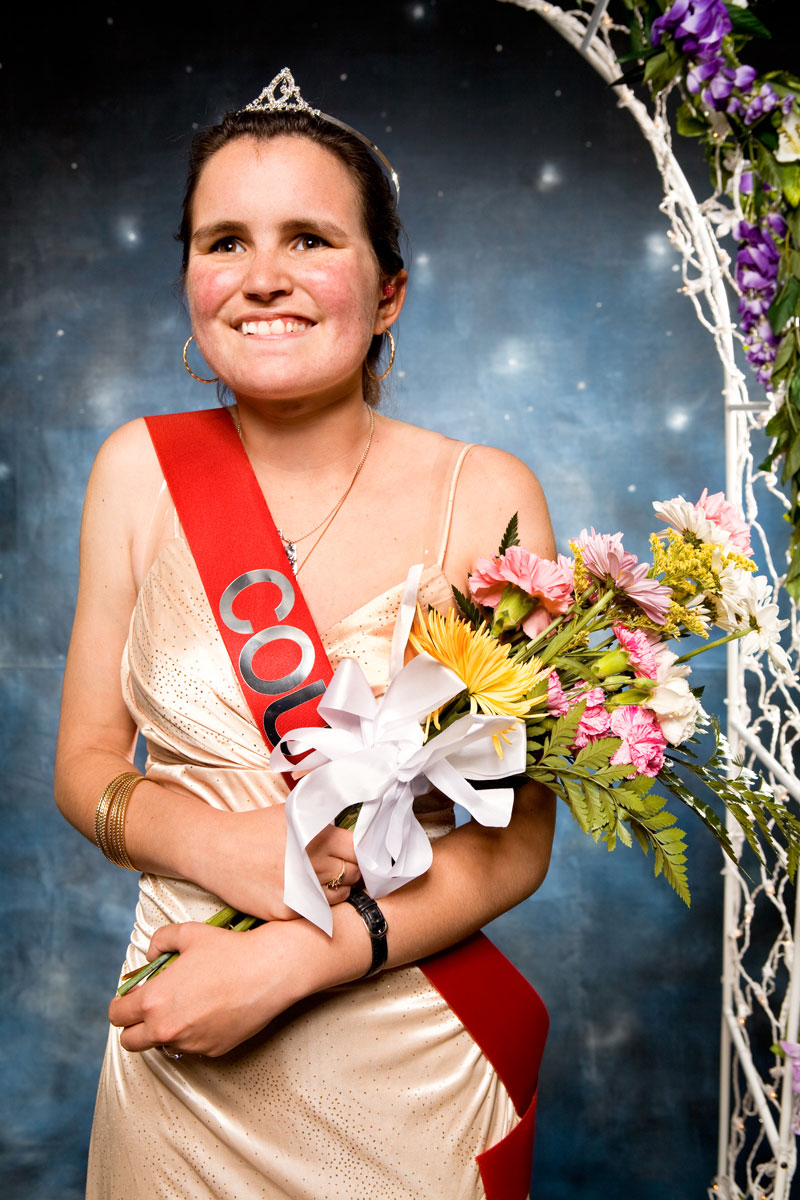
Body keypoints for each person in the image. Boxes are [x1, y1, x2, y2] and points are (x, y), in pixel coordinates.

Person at [55, 69, 557, 1200]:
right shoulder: (135, 471)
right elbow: (83, 765)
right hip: (179, 1045)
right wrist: (221, 845)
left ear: (388, 292)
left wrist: (295, 956)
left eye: (310, 240)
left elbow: (518, 841)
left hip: (409, 1069)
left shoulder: (485, 494)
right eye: (224, 242)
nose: (263, 276)